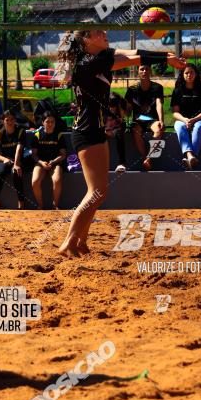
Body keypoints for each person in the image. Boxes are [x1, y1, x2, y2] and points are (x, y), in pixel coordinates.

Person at [56, 28, 185, 258]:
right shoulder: (88, 63)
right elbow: (133, 58)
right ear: (86, 40)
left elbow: (132, 52)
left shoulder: (99, 57)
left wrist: (166, 56)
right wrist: (166, 57)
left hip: (95, 129)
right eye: (98, 32)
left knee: (99, 192)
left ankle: (81, 241)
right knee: (95, 192)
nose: (105, 32)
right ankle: (68, 242)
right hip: (86, 131)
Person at [170, 63, 201, 169]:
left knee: (198, 127)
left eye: (192, 72)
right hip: (183, 120)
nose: (189, 75)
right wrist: (185, 120)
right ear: (182, 75)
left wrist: (193, 120)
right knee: (179, 126)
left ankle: (192, 157)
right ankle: (190, 156)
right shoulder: (177, 91)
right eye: (186, 73)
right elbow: (175, 113)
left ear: (196, 74)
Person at [125, 64, 165, 171]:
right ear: (138, 72)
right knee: (135, 129)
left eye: (147, 69)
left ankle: (149, 158)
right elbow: (127, 111)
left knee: (159, 129)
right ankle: (145, 159)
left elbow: (159, 104)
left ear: (150, 71)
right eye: (142, 69)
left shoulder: (157, 88)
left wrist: (161, 120)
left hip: (152, 120)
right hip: (138, 120)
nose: (144, 71)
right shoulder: (131, 90)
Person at [31, 111, 67, 210]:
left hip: (55, 163)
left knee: (57, 180)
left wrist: (53, 161)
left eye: (52, 122)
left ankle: (55, 205)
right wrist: (41, 163)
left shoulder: (59, 136)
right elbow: (33, 155)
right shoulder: (37, 135)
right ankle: (40, 205)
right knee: (35, 181)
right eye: (47, 122)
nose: (50, 124)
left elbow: (63, 155)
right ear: (43, 122)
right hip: (40, 163)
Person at [0, 109, 27, 210]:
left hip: (18, 160)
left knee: (16, 172)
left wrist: (16, 164)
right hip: (5, 161)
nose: (10, 122)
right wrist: (4, 160)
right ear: (3, 121)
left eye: (12, 119)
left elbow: (19, 149)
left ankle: (21, 203)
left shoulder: (21, 132)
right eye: (7, 120)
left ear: (15, 120)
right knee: (0, 173)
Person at [105, 93, 128, 173]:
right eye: (110, 106)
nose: (111, 109)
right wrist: (106, 131)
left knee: (119, 134)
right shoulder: (103, 107)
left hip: (117, 127)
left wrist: (120, 108)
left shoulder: (121, 106)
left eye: (113, 106)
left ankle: (122, 162)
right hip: (106, 128)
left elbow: (121, 120)